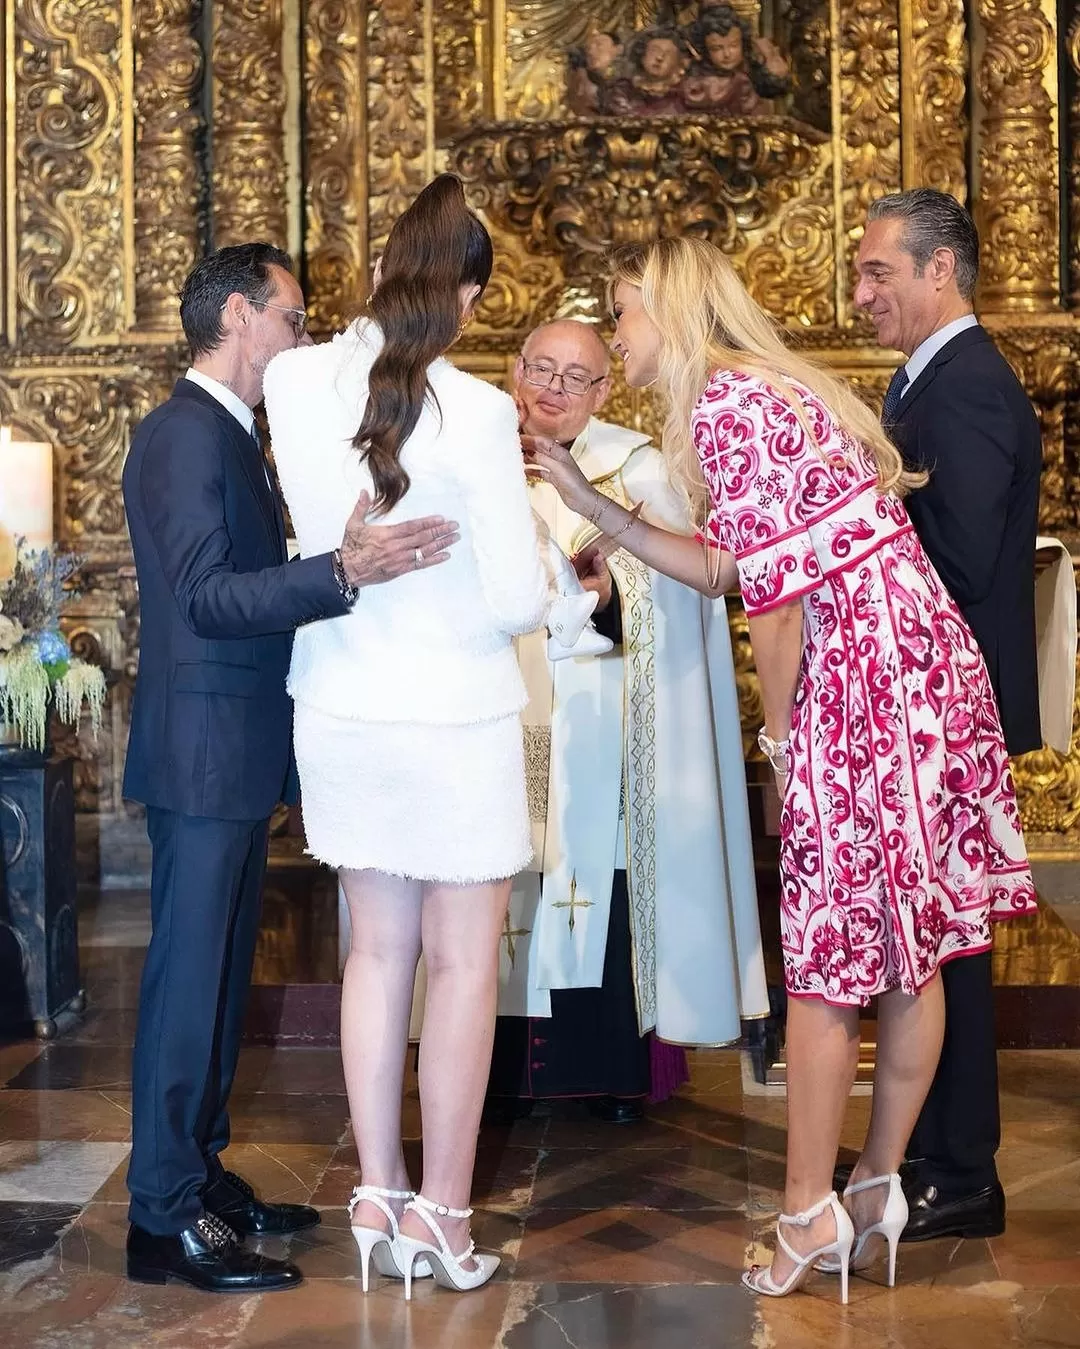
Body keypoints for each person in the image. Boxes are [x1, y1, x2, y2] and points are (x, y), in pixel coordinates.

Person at [527, 235, 1037, 1303]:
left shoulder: (728, 406)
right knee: (914, 950)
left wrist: (780, 743)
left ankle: (808, 1209)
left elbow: (775, 603)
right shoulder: (761, 391)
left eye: (622, 317)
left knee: (826, 959)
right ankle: (874, 1191)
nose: (616, 343)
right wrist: (598, 501)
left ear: (666, 310)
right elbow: (727, 562)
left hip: (866, 690)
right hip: (918, 676)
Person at [122, 244, 457, 1293]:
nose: (303, 337)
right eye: (293, 316)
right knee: (187, 982)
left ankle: (200, 1173)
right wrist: (340, 572)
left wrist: (334, 559)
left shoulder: (230, 436)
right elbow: (208, 599)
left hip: (234, 747)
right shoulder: (182, 435)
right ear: (239, 314)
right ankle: (159, 1212)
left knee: (220, 980)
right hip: (202, 750)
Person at [263, 174, 549, 1299]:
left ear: (384, 267)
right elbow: (522, 601)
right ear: (468, 295)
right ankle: (444, 1212)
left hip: (340, 704)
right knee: (465, 962)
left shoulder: (291, 375)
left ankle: (377, 1187)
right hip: (454, 715)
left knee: (375, 952)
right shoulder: (476, 411)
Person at [486, 319, 769, 1124]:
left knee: (588, 881)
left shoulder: (631, 468)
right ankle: (491, 1068)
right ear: (515, 369)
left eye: (577, 377)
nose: (553, 387)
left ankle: (603, 1068)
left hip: (594, 727)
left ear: (605, 391)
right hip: (499, 714)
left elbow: (679, 600)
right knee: (499, 874)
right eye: (540, 367)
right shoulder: (474, 459)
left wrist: (611, 597)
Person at [854, 187, 1043, 1242]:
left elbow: (960, 563)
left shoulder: (964, 388)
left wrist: (856, 523)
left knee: (948, 944)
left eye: (882, 270)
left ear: (942, 271)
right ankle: (933, 1144)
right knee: (929, 938)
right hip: (933, 713)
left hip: (948, 716)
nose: (863, 288)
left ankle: (959, 1167)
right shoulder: (927, 378)